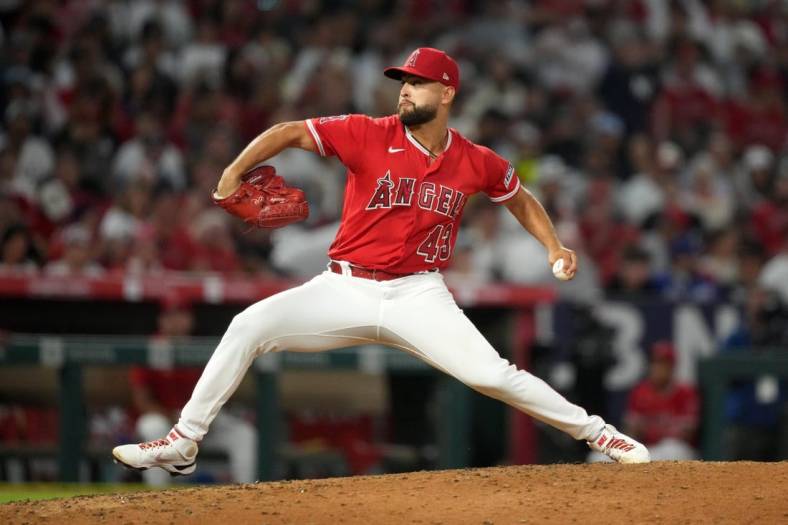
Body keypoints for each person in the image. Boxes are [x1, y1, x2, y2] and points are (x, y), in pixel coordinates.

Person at [113, 47, 649, 477]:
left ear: (446, 92)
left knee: (494, 375)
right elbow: (288, 132)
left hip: (419, 293)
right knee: (247, 325)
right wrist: (232, 174)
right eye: (402, 81)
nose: (405, 89)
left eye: (416, 82)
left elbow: (519, 197)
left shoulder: (474, 160)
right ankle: (184, 443)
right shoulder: (369, 132)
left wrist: (552, 246)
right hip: (344, 287)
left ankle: (599, 434)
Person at [126, 295, 257, 484]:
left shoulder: (205, 351)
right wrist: (176, 421)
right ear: (160, 320)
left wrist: (199, 421)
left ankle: (248, 497)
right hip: (165, 420)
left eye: (181, 315)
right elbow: (141, 400)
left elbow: (219, 391)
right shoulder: (150, 348)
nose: (176, 321)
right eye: (170, 316)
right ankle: (155, 499)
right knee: (153, 426)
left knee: (245, 435)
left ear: (190, 320)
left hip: (201, 424)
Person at [622, 342, 699, 461]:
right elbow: (630, 430)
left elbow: (688, 434)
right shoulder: (640, 392)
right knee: (599, 455)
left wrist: (652, 429)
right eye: (654, 362)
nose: (657, 367)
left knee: (671, 448)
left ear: (671, 366)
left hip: (675, 450)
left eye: (662, 363)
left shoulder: (685, 393)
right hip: (647, 448)